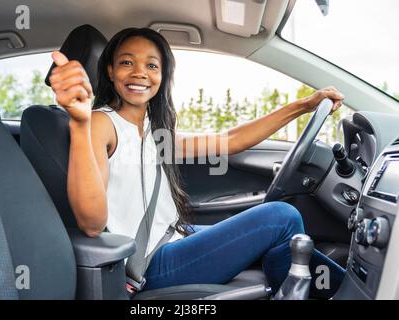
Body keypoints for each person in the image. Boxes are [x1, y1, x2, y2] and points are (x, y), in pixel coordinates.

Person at [48, 27, 345, 296]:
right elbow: (91, 223)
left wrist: (303, 106)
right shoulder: (100, 123)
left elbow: (230, 142)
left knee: (277, 232)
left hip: (174, 238)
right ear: (110, 71)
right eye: (127, 62)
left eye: (152, 65)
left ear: (162, 76)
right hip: (149, 263)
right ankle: (343, 292)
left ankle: (329, 289)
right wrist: (79, 122)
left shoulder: (152, 129)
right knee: (282, 218)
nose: (140, 73)